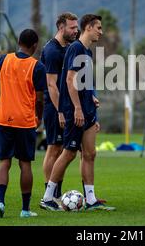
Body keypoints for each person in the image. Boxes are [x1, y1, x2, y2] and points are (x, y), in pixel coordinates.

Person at [42, 14, 115, 211]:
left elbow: (83, 82)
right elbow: (69, 80)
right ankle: (47, 197)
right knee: (68, 153)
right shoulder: (75, 49)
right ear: (89, 27)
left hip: (88, 109)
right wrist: (77, 108)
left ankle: (90, 200)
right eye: (98, 27)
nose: (101, 31)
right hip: (76, 111)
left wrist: (91, 97)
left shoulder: (87, 52)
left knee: (90, 154)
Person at [0, 29, 46, 218]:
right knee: (25, 164)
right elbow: (39, 99)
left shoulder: (3, 60)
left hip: (3, 119)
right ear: (35, 45)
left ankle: (0, 202)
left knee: (4, 162)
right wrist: (39, 118)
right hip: (25, 121)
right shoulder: (37, 66)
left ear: (19, 42)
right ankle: (25, 210)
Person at [39, 12, 79, 208]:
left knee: (64, 150)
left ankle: (56, 192)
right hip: (55, 107)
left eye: (76, 27)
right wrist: (61, 111)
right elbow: (52, 85)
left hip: (66, 107)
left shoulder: (69, 48)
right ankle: (49, 194)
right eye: (72, 27)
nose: (75, 30)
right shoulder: (52, 51)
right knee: (54, 148)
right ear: (61, 28)